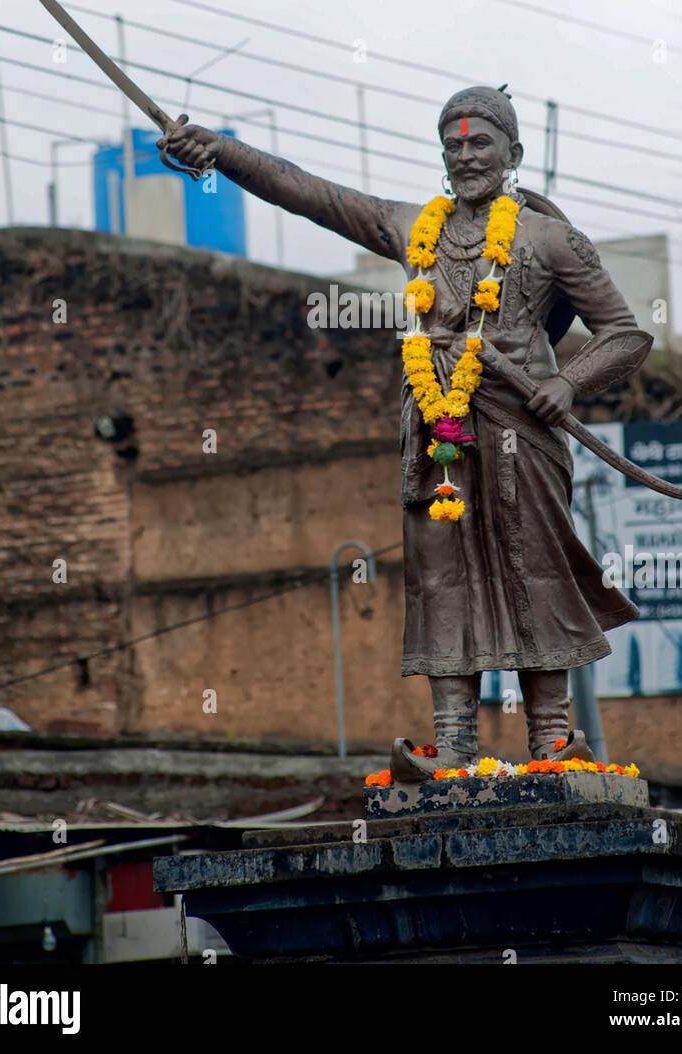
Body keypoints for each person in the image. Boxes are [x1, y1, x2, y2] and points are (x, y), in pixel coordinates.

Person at [158, 85, 645, 778]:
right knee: (443, 579)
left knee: (534, 570)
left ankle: (550, 744)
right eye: (453, 143)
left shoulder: (548, 238)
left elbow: (626, 335)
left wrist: (565, 383)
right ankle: (451, 748)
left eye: (480, 142)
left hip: (521, 431)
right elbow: (308, 194)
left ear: (513, 152)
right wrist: (221, 151)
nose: (466, 153)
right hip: (437, 431)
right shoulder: (410, 225)